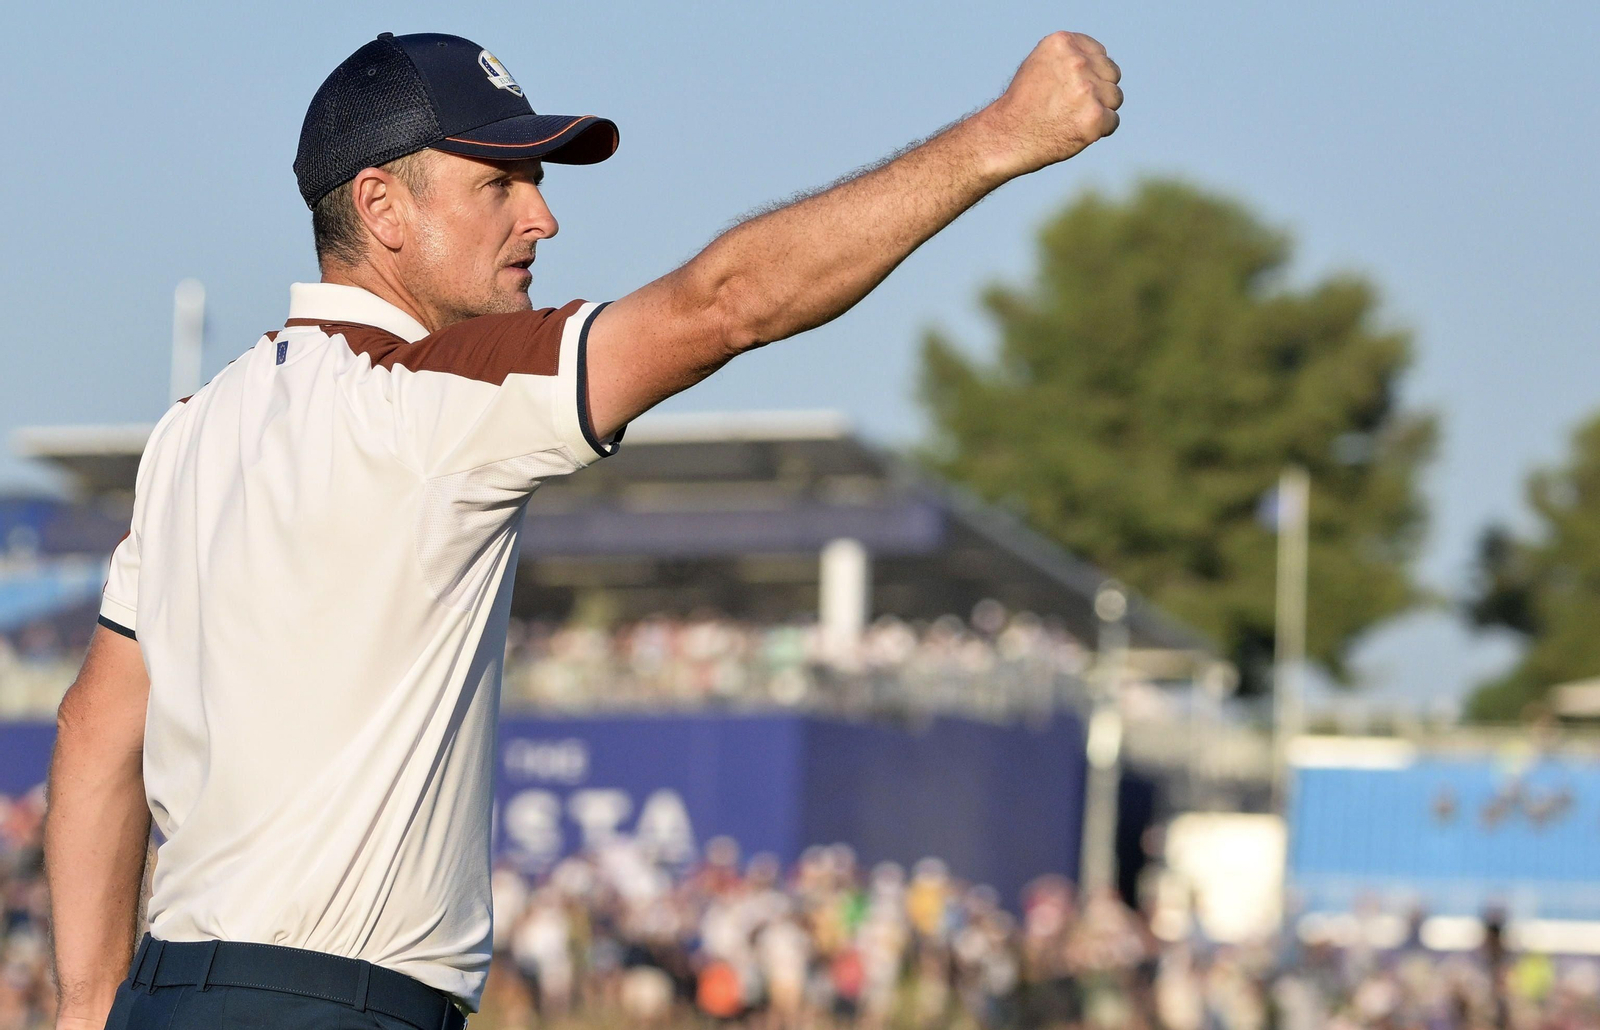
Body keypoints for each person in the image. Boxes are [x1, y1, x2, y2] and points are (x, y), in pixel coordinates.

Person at [42, 26, 1121, 1030]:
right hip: (331, 1005)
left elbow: (95, 728)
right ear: (381, 207)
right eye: (498, 182)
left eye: (538, 182)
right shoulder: (422, 400)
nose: (542, 217)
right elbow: (726, 303)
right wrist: (1000, 136)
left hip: (166, 994)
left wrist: (89, 1006)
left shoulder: (194, 428)